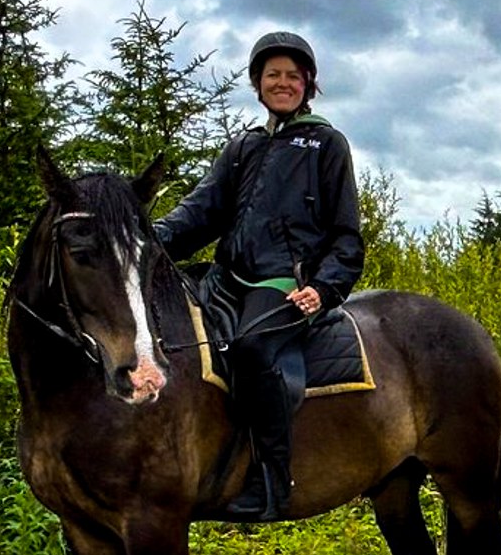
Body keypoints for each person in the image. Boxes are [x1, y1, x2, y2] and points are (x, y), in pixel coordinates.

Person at [156, 31, 364, 521]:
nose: (283, 83)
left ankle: (273, 480)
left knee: (252, 348)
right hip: (227, 278)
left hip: (285, 285)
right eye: (273, 75)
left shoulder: (326, 145)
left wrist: (325, 286)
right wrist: (145, 238)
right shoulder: (243, 146)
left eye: (293, 76)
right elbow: (199, 212)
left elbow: (347, 235)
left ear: (308, 84)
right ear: (257, 82)